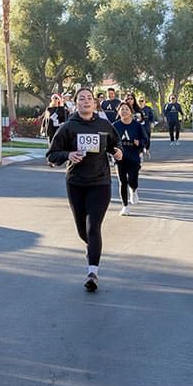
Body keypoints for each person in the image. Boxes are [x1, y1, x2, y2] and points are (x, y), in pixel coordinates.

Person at [46, 87, 122, 292]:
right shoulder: (68, 127)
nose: (86, 101)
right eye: (82, 98)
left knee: (93, 226)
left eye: (89, 98)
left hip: (100, 183)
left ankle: (92, 273)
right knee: (82, 230)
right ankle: (92, 249)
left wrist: (118, 151)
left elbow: (116, 144)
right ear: (76, 103)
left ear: (95, 103)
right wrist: (68, 155)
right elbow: (52, 155)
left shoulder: (104, 125)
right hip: (76, 184)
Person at [112, 102, 146, 215]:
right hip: (119, 158)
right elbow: (109, 140)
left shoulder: (137, 125)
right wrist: (112, 151)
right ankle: (125, 206)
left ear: (131, 112)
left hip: (133, 157)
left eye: (126, 109)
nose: (124, 111)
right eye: (122, 109)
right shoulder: (115, 126)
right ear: (118, 112)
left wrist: (139, 143)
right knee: (122, 182)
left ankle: (134, 190)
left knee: (132, 180)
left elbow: (145, 139)